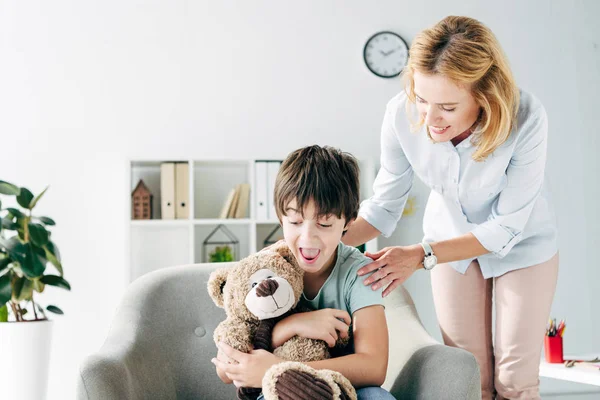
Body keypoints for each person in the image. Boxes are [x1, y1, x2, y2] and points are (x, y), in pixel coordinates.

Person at [342, 16, 559, 400]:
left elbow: (506, 227)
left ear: (485, 94)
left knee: (515, 380)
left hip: (523, 246)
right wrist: (312, 239)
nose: (428, 118)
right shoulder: (400, 114)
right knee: (467, 375)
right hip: (448, 246)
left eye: (446, 106)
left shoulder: (525, 117)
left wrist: (420, 255)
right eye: (422, 99)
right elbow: (384, 207)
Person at [212, 145, 396, 400]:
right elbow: (228, 366)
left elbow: (374, 368)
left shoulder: (358, 272)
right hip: (278, 391)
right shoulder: (264, 268)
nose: (308, 237)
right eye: (296, 222)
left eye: (324, 223)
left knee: (377, 397)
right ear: (280, 218)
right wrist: (292, 326)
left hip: (344, 389)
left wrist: (279, 369)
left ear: (348, 223)